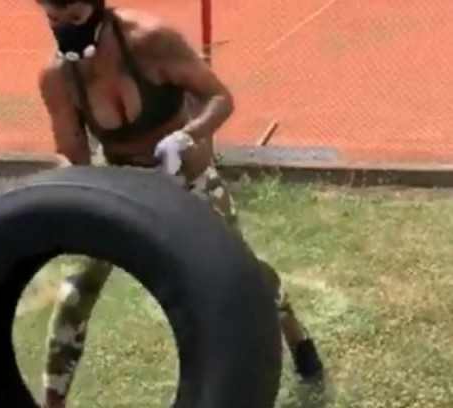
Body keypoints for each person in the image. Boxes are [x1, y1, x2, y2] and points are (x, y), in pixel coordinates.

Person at [35, 0, 324, 406]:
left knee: (243, 271)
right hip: (123, 187)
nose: (65, 29)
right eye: (54, 20)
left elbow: (219, 98)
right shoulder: (58, 76)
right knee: (75, 292)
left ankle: (298, 338)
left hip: (189, 179)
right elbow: (73, 152)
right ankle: (52, 402)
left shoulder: (152, 41)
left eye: (76, 19)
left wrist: (187, 136)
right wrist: (68, 184)